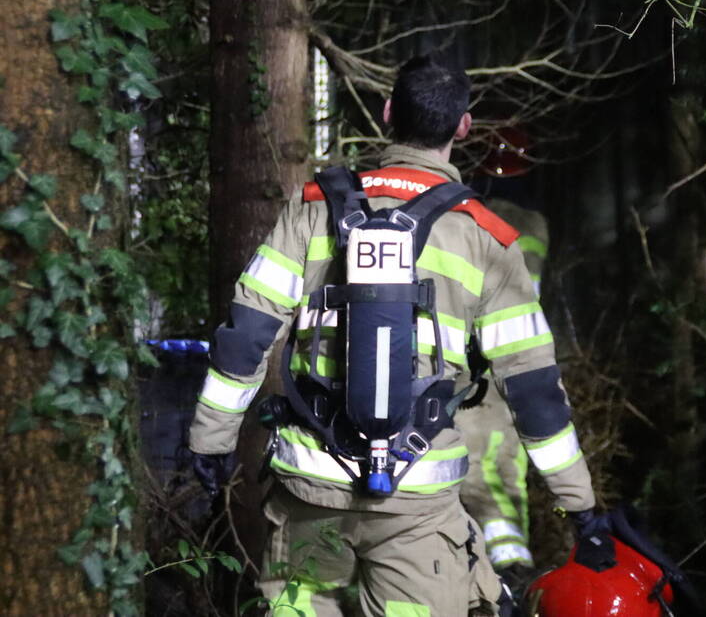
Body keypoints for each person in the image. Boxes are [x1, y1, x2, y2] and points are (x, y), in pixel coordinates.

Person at [188, 55, 595, 617]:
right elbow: (534, 391)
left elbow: (246, 336)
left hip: (310, 490)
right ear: (462, 127)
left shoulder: (314, 210)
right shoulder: (487, 239)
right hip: (419, 503)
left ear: (386, 114)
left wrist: (209, 442)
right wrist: (580, 504)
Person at [455, 129, 549, 585]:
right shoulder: (534, 226)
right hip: (507, 374)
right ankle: (510, 578)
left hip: (473, 372)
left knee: (475, 480)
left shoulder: (461, 221)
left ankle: (495, 580)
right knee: (503, 481)